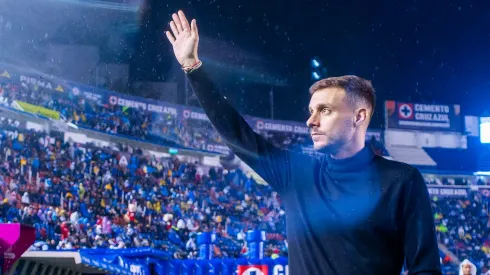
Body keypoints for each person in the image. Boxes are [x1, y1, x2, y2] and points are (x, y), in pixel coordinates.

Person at [165, 10, 442, 275]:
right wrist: (192, 67)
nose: (311, 121)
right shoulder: (296, 173)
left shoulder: (402, 181)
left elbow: (426, 269)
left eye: (325, 110)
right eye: (311, 111)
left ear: (359, 116)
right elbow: (236, 133)